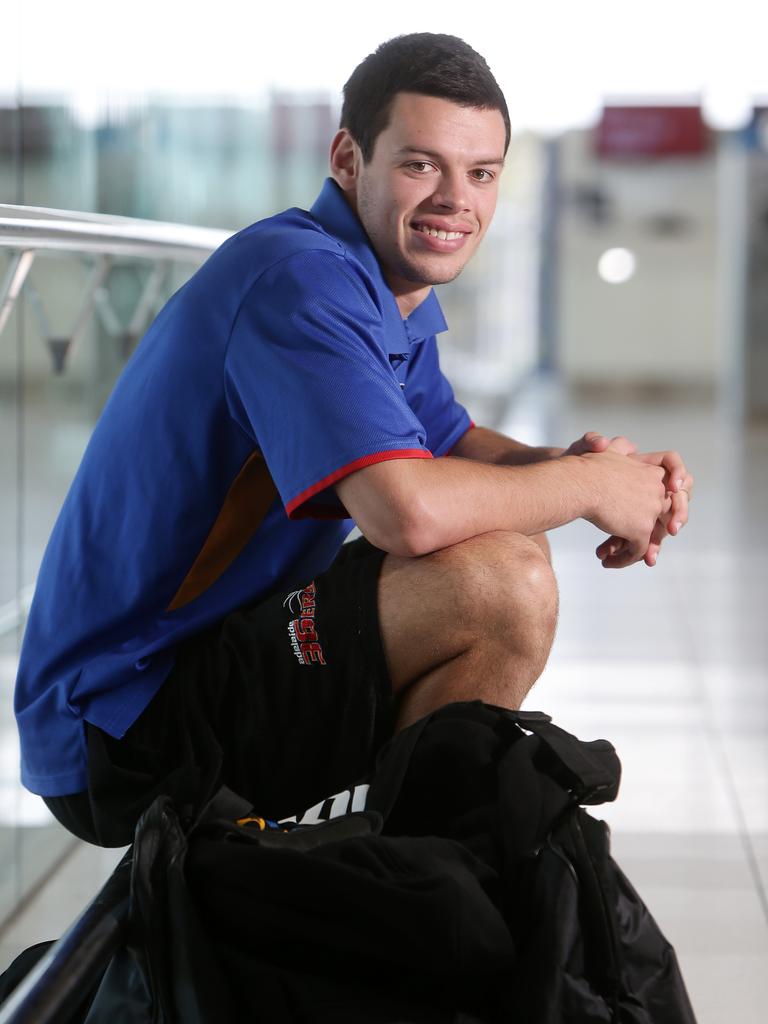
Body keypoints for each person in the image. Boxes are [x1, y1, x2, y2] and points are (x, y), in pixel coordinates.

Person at [14, 33, 692, 848]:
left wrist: (593, 471)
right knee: (498, 583)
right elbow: (404, 513)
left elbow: (454, 442)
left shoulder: (382, 284)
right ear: (347, 158)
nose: (455, 200)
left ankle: (409, 877)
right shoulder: (300, 281)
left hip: (209, 657)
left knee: (504, 547)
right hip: (123, 715)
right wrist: (586, 491)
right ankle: (403, 886)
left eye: (480, 174)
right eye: (421, 164)